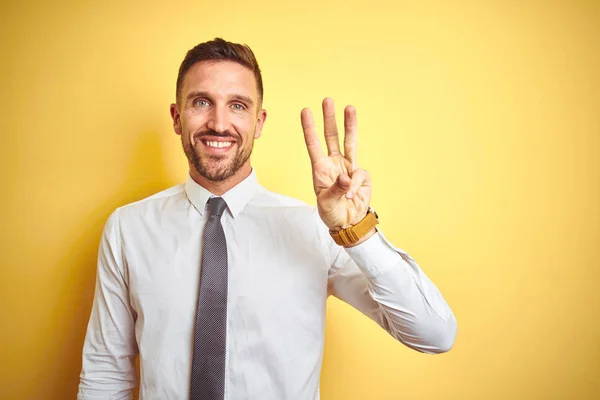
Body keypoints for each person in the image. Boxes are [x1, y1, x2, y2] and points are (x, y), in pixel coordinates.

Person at [77, 38, 457, 400]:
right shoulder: (128, 229)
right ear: (177, 118)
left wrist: (357, 231)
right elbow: (105, 371)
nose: (219, 123)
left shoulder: (316, 230)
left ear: (258, 123)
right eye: (201, 102)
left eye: (238, 106)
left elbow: (435, 334)